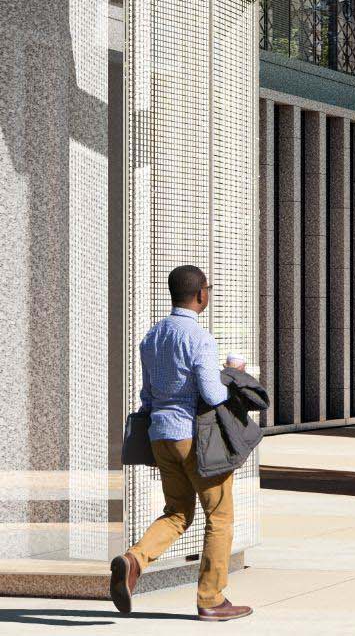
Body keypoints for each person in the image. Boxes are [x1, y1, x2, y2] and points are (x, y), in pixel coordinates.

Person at [109, 265, 252, 622]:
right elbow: (212, 393)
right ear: (201, 294)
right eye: (208, 290)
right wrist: (235, 373)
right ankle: (211, 598)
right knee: (219, 516)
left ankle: (134, 560)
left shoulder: (152, 337)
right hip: (194, 438)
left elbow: (146, 394)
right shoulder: (199, 338)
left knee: (177, 512)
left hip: (161, 436)